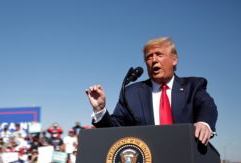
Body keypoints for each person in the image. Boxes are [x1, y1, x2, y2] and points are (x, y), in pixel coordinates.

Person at [85, 37, 218, 145]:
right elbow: (114, 130)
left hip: (187, 158)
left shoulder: (193, 86)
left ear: (174, 60)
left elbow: (207, 106)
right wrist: (100, 109)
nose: (154, 60)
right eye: (149, 57)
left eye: (159, 54)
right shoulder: (131, 93)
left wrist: (204, 123)